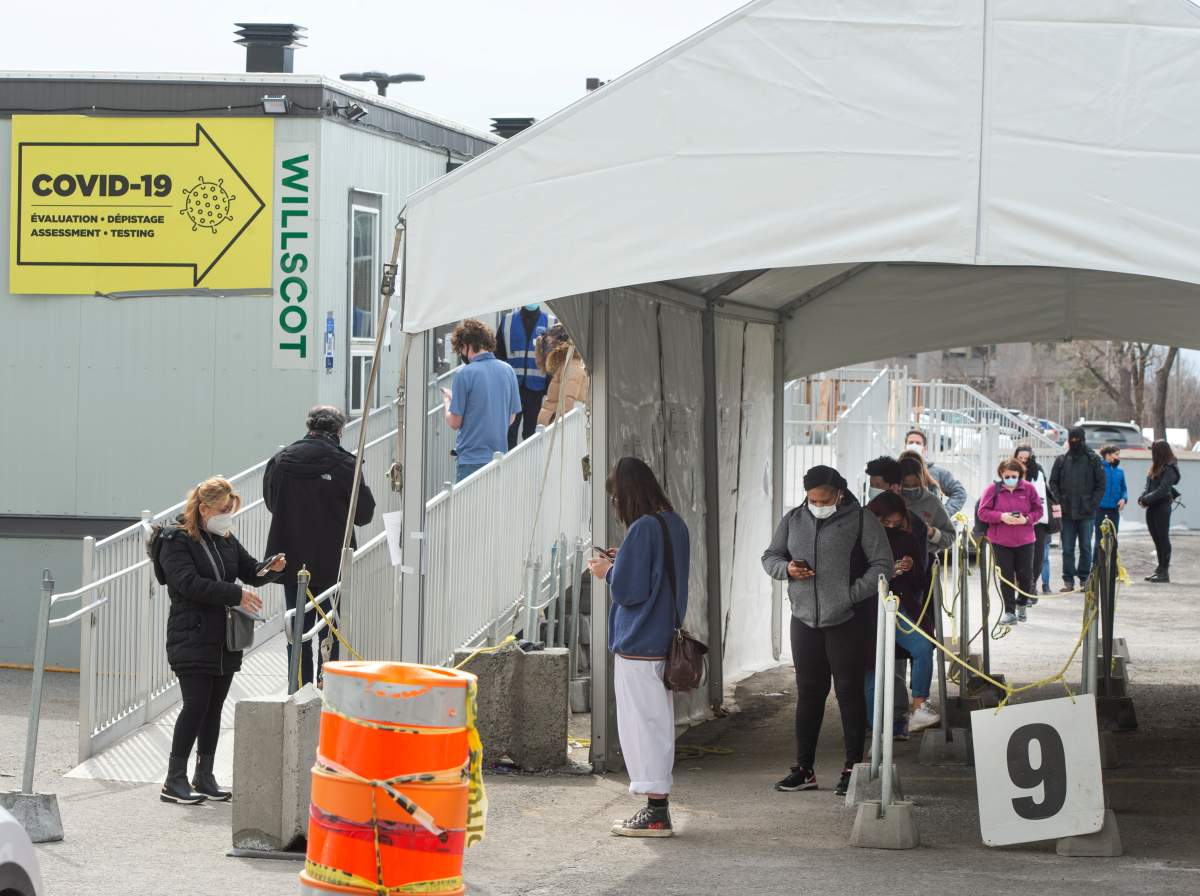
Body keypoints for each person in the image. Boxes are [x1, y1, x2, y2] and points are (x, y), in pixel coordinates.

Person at [762, 465, 893, 797]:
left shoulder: (862, 519)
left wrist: (850, 594)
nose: (818, 504)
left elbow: (883, 564)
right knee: (808, 694)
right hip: (804, 620)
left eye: (824, 498)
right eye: (812, 499)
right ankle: (804, 769)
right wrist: (787, 569)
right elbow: (771, 556)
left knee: (849, 692)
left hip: (847, 620)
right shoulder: (793, 519)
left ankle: (853, 767)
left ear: (839, 493)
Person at [156, 477, 286, 803]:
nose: (228, 514)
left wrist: (270, 569)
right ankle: (174, 779)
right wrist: (236, 593)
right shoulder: (176, 540)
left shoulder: (224, 537)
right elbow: (188, 583)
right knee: (196, 705)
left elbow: (249, 569)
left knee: (213, 708)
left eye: (231, 509)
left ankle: (204, 775)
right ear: (203, 509)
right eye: (223, 509)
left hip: (223, 637)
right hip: (191, 634)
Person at [586, 457, 689, 838]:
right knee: (656, 723)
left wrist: (607, 570)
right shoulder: (673, 522)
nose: (616, 505)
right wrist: (623, 559)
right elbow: (659, 574)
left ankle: (656, 810)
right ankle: (656, 807)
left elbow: (630, 589)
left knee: (641, 726)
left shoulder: (644, 528)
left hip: (639, 640)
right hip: (663, 635)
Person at [265, 406, 376, 686]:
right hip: (333, 562)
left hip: (291, 559)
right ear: (339, 430)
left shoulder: (280, 461)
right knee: (332, 629)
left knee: (297, 627)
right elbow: (364, 514)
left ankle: (299, 690)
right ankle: (329, 687)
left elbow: (271, 503)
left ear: (308, 426)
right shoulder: (347, 464)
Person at [866, 491, 940, 733]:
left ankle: (918, 706)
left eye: (895, 523)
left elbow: (921, 581)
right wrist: (884, 574)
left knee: (922, 647)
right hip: (865, 608)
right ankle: (874, 729)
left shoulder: (906, 539)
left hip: (897, 607)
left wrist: (911, 567)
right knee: (872, 668)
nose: (889, 527)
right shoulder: (858, 538)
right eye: (884, 522)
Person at [442, 319, 522, 482]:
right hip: (498, 457)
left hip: (470, 460)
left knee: (467, 507)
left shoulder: (464, 374)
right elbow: (511, 418)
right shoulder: (508, 370)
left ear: (466, 345)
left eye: (460, 349)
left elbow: (454, 422)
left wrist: (447, 401)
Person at [978, 459, 1043, 625]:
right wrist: (1001, 516)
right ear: (1001, 474)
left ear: (1019, 475)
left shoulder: (1029, 488)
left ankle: (1022, 603)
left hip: (1025, 540)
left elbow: (1039, 510)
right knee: (1005, 576)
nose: (1010, 478)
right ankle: (1009, 611)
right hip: (1000, 541)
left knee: (1025, 575)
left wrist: (1026, 519)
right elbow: (982, 512)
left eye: (1014, 476)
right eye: (1007, 476)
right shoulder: (993, 490)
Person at [1049, 426, 1106, 592]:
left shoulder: (1093, 459)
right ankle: (1068, 580)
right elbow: (1053, 483)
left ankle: (1084, 580)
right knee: (1067, 548)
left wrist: (1091, 504)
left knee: (1086, 547)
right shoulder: (1061, 460)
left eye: (1077, 440)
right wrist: (1059, 500)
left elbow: (1101, 485)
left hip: (1086, 513)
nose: (1075, 443)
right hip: (1066, 513)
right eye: (1072, 440)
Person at [496, 303, 555, 447]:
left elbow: (554, 358)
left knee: (532, 435)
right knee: (509, 432)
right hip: (512, 388)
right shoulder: (507, 321)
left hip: (536, 389)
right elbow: (498, 355)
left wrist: (549, 386)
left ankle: (532, 468)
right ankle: (510, 468)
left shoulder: (551, 322)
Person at [897, 453, 956, 556]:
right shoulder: (892, 500)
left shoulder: (932, 502)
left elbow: (950, 537)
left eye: (915, 485)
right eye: (906, 485)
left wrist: (932, 532)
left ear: (922, 480)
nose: (911, 489)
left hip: (927, 560)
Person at [1139, 440, 1181, 583]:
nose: (1152, 453)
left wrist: (1146, 499)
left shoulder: (1170, 467)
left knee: (1163, 538)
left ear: (1160, 451)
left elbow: (1163, 489)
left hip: (1162, 506)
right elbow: (1148, 484)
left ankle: (1164, 572)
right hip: (1152, 506)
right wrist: (1142, 497)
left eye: (1154, 451)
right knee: (1156, 538)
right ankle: (1160, 569)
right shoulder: (1156, 466)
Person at [1015, 445, 1050, 604]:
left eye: (1026, 459)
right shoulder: (1010, 471)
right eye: (1020, 458)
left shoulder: (1038, 473)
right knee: (1021, 557)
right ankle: (1023, 588)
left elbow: (1041, 498)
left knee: (1037, 557)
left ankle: (1031, 586)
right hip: (1017, 521)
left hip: (1036, 521)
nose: (1023, 461)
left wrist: (1033, 517)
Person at [535, 324, 589, 426]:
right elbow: (542, 365)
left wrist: (555, 426)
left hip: (558, 430)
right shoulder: (564, 364)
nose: (547, 347)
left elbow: (567, 402)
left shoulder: (571, 366)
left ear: (560, 343)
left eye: (549, 342)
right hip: (553, 427)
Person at [903, 429, 968, 515]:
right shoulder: (895, 469)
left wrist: (944, 513)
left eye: (918, 443)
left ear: (924, 448)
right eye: (911, 442)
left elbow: (959, 492)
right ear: (905, 446)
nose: (914, 445)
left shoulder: (936, 472)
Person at [1096, 444, 1128, 539]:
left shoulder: (1120, 472)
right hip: (1099, 510)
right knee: (1100, 539)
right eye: (1116, 454)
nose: (1119, 457)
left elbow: (1124, 489)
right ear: (1108, 455)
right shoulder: (1098, 469)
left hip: (1114, 511)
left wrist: (1123, 499)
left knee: (1113, 539)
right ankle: (1098, 555)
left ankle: (1112, 554)